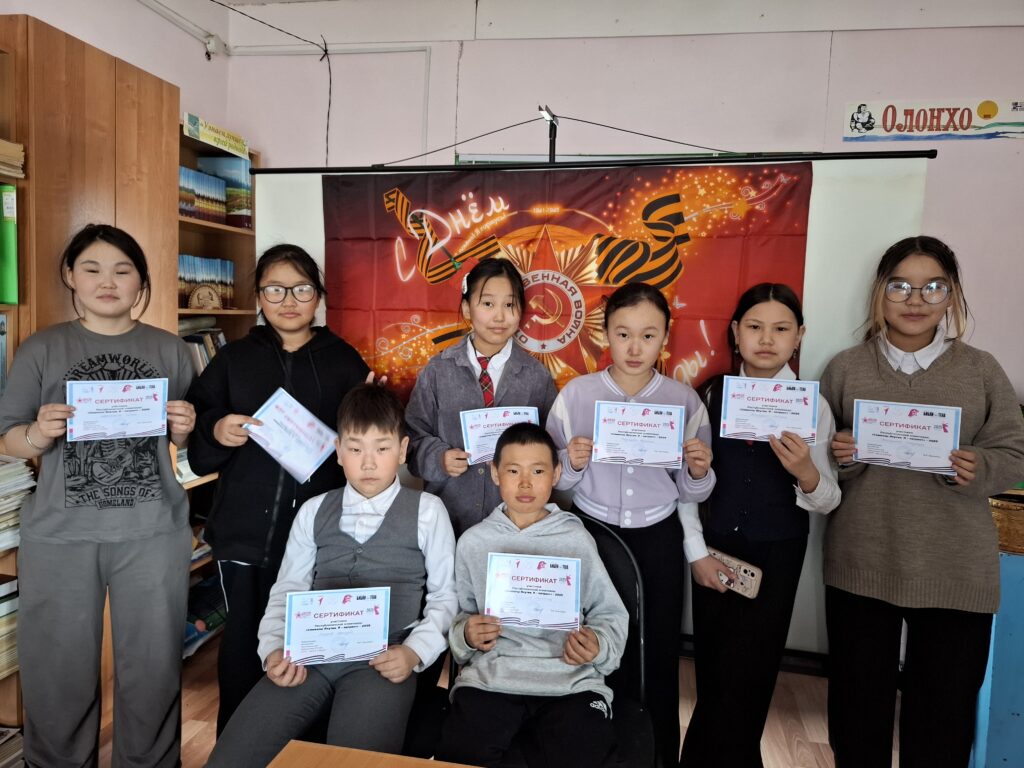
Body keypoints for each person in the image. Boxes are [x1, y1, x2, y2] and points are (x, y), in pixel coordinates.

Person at [820, 236, 1024, 768]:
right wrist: (842, 454)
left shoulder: (981, 370)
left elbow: (1014, 451)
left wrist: (981, 467)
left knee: (942, 724)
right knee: (856, 718)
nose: (916, 299)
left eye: (933, 287)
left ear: (952, 296)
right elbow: (816, 467)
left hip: (955, 571)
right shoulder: (845, 368)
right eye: (900, 286)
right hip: (862, 564)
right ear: (879, 293)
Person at [0, 224, 196, 767]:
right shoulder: (41, 348)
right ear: (70, 276)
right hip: (60, 535)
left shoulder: (171, 350)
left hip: (153, 531)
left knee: (153, 668)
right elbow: (9, 438)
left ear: (141, 281)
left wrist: (184, 430)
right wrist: (39, 433)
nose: (107, 282)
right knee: (57, 671)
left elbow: (188, 444)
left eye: (122, 270)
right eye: (92, 269)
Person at [207, 383, 457, 766]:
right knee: (231, 758)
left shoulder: (428, 510)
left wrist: (413, 653)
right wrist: (273, 649)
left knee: (355, 761)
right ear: (338, 451)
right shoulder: (313, 510)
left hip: (382, 661)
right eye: (355, 449)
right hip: (307, 656)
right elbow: (287, 588)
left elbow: (445, 597)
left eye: (382, 448)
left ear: (403, 450)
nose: (368, 463)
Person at [187, 244, 370, 732]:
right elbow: (198, 420)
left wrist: (367, 415)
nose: (288, 301)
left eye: (301, 289)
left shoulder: (344, 361)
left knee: (310, 651)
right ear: (259, 297)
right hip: (244, 533)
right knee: (242, 647)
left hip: (318, 537)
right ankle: (237, 746)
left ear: (319, 297)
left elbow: (368, 445)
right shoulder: (234, 359)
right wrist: (218, 428)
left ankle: (305, 750)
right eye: (274, 290)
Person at [546, 281, 715, 767]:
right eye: (623, 334)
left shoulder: (684, 401)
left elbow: (693, 491)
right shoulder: (577, 395)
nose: (634, 347)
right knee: (589, 645)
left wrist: (698, 472)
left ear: (665, 337)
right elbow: (554, 482)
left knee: (656, 652)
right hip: (592, 535)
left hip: (658, 539)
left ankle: (658, 757)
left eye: (647, 335)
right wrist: (571, 463)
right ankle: (593, 752)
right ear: (605, 335)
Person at [678, 283, 841, 767]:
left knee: (755, 673)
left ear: (799, 336)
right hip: (714, 549)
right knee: (714, 671)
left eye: (781, 329)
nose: (766, 339)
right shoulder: (709, 395)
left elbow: (829, 499)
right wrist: (695, 552)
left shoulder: (813, 406)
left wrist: (806, 472)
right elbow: (686, 484)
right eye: (754, 327)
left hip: (778, 553)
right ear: (735, 332)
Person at [435, 423, 628, 768]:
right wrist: (467, 635)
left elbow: (609, 613)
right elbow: (462, 617)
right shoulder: (473, 543)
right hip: (492, 679)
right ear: (495, 473)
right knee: (461, 752)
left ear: (556, 474)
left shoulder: (576, 541)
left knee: (587, 754)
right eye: (513, 471)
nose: (525, 483)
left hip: (569, 681)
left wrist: (598, 645)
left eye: (537, 471)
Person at [406, 258, 558, 538]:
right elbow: (412, 439)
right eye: (488, 304)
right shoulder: (438, 371)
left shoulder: (536, 377)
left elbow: (553, 445)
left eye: (509, 305)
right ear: (467, 308)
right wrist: (439, 458)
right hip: (448, 520)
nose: (499, 316)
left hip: (517, 525)